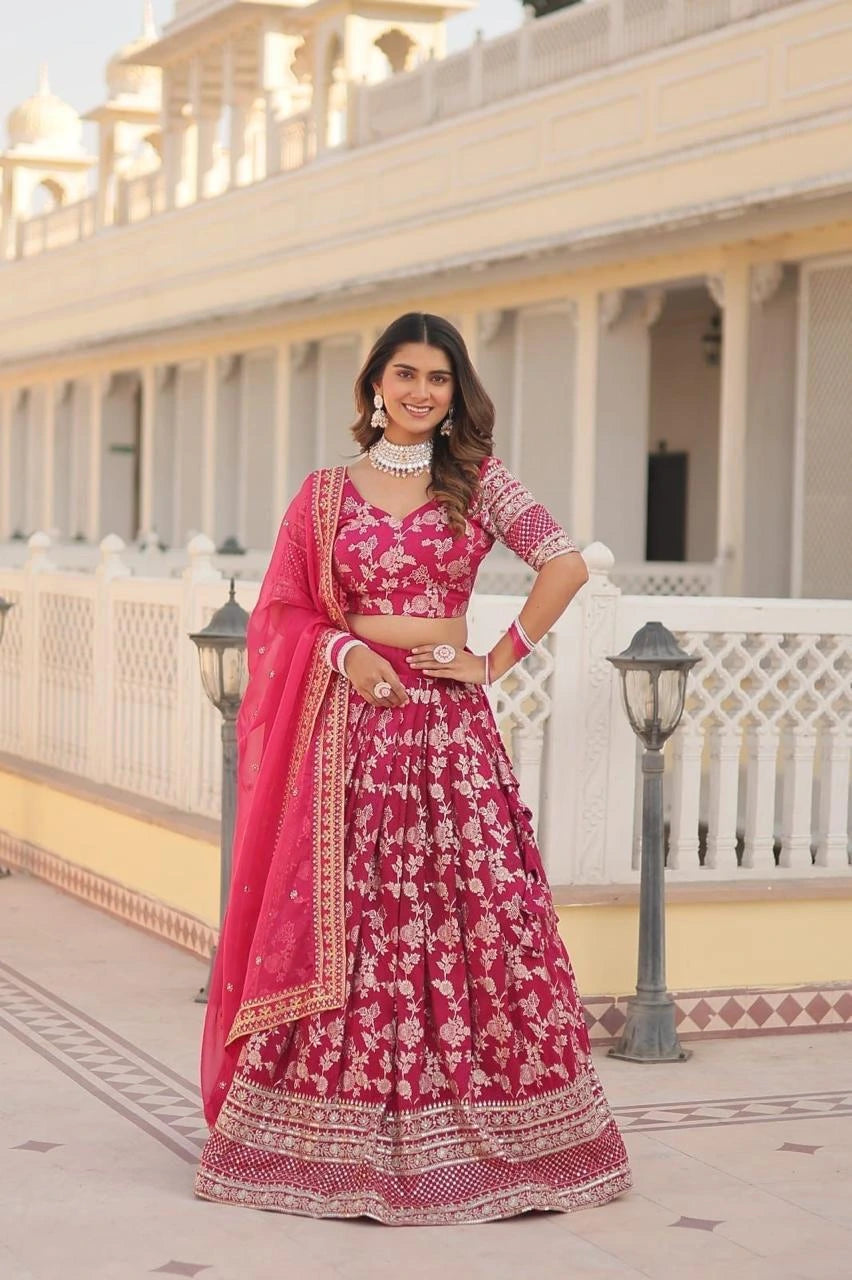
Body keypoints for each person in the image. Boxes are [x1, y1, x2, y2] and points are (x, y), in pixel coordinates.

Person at [195, 312, 631, 1224]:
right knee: (354, 915)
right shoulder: (324, 495)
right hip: (352, 732)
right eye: (405, 374)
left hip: (447, 732)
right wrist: (343, 655)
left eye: (438, 377)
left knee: (469, 914)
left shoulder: (477, 481)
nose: (421, 391)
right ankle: (326, 1132)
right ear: (375, 386)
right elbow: (282, 613)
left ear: (456, 390)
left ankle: (494, 1130)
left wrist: (492, 657)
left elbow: (564, 564)